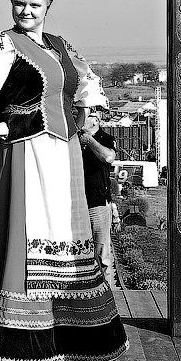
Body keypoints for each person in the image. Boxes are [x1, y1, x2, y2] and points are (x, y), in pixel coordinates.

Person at [0, 0, 128, 361]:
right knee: (29, 241)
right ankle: (28, 342)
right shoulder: (3, 44)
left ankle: (67, 337)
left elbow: (87, 84)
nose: (25, 11)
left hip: (65, 155)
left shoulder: (61, 45)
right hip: (25, 154)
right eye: (19, 3)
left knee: (65, 238)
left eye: (34, 5)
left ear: (48, 6)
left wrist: (85, 117)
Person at [78, 113, 118, 288]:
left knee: (101, 252)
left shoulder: (106, 138)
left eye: (85, 114)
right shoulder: (74, 138)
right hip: (77, 202)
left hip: (97, 202)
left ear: (95, 120)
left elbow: (108, 157)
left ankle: (105, 291)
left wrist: (89, 140)